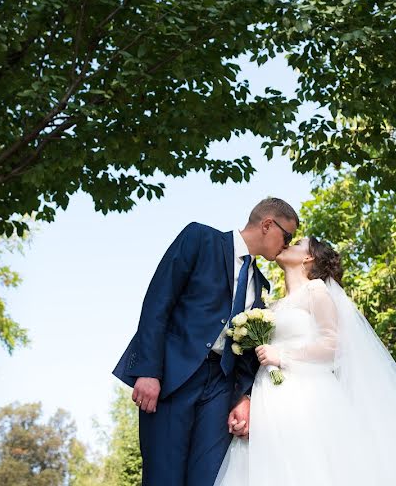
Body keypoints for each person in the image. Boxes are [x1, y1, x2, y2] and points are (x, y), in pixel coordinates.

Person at [214, 236, 396, 486]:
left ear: (308, 258)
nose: (287, 245)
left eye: (297, 244)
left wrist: (282, 356)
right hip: (268, 397)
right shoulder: (271, 307)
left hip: (306, 397)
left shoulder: (316, 291)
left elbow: (333, 344)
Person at [112, 197, 299, 486]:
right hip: (173, 377)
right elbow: (158, 302)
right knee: (164, 477)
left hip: (220, 388)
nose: (286, 245)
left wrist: (245, 397)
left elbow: (248, 348)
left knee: (212, 479)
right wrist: (148, 371)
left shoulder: (260, 284)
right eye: (287, 236)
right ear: (267, 225)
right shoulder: (200, 238)